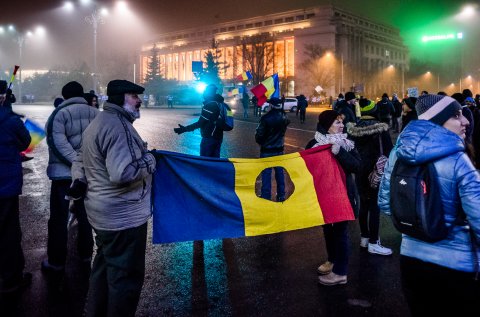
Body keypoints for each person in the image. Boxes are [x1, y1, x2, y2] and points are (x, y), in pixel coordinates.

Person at [378, 94, 480, 316]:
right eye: (456, 115)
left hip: (411, 260)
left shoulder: (398, 152)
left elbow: (385, 204)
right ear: (438, 121)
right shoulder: (457, 159)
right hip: (456, 265)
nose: (466, 121)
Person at [71, 80, 157, 317]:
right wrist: (150, 160)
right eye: (133, 96)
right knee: (125, 280)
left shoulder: (99, 121)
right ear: (119, 98)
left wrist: (78, 180)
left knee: (104, 268)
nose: (139, 100)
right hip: (123, 218)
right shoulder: (118, 126)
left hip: (102, 215)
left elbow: (79, 157)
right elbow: (123, 172)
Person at [41, 81, 98, 274]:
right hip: (88, 176)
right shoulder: (95, 114)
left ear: (64, 96)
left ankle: (56, 261)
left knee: (58, 218)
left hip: (63, 178)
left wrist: (76, 163)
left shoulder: (59, 114)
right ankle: (85, 255)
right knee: (86, 217)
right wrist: (85, 164)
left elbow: (57, 142)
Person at [305, 110, 360, 286]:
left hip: (342, 194)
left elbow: (357, 166)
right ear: (327, 126)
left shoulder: (347, 144)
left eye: (341, 122)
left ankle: (340, 272)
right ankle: (332, 260)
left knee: (340, 232)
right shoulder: (313, 144)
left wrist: (340, 153)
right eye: (337, 123)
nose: (342, 125)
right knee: (328, 229)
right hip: (323, 194)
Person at [346, 98, 393, 255]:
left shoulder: (354, 130)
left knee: (363, 205)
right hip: (375, 172)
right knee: (374, 207)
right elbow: (389, 151)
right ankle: (374, 242)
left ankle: (364, 238)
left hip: (359, 171)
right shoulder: (381, 130)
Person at [0, 80, 32, 294]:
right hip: (5, 185)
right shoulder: (11, 121)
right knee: (8, 231)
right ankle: (12, 279)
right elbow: (26, 142)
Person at [173, 84, 229, 158]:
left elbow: (200, 123)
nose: (204, 93)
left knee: (204, 161)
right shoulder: (221, 104)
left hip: (209, 137)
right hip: (218, 137)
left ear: (208, 93)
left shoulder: (210, 105)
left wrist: (184, 129)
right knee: (215, 161)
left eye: (205, 91)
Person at [255, 97, 290, 202]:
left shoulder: (266, 118)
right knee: (279, 173)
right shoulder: (284, 116)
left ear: (271, 105)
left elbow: (259, 135)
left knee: (266, 174)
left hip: (267, 150)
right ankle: (281, 195)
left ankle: (266, 196)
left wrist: (261, 142)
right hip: (279, 149)